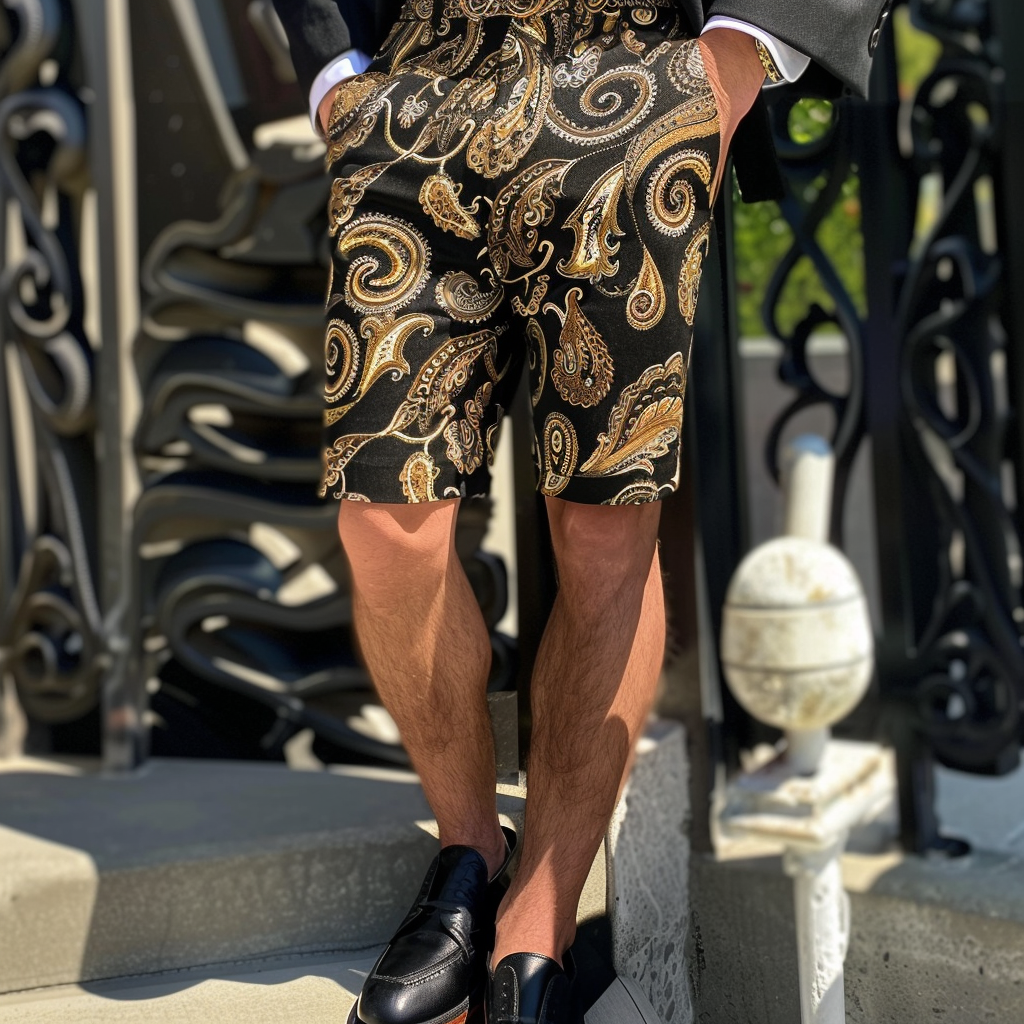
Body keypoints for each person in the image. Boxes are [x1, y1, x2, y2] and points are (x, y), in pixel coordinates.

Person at [271, 1, 891, 1021]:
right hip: (416, 82)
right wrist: (336, 75)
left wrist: (736, 59)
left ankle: (536, 923)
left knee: (604, 527)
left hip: (631, 70)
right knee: (384, 523)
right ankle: (471, 850)